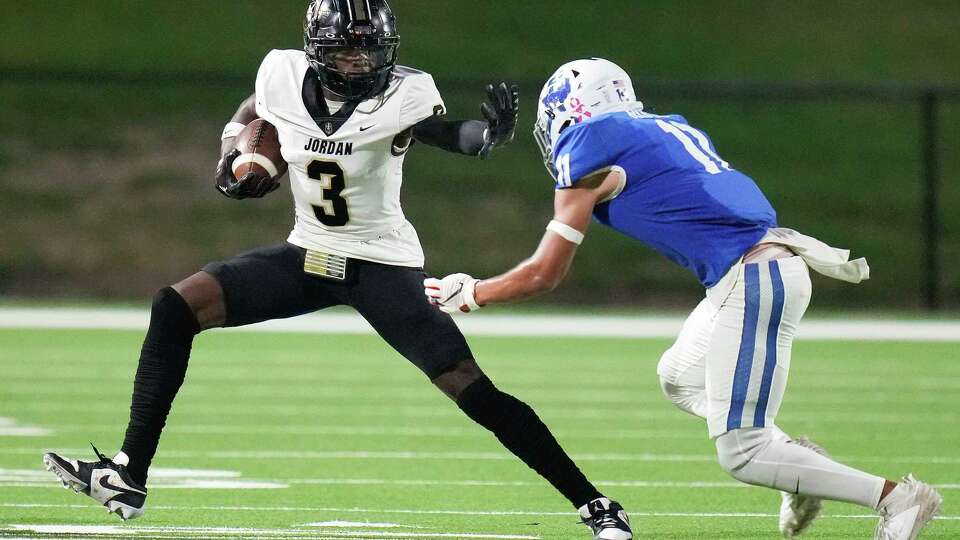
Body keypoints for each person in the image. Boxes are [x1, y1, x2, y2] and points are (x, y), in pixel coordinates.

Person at [41, 4, 633, 539]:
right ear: (317, 48)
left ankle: (595, 504)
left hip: (382, 264)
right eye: (348, 49)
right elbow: (256, 109)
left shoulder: (404, 93)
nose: (361, 61)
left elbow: (447, 133)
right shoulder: (280, 73)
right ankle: (127, 473)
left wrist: (486, 137)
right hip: (309, 254)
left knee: (469, 387)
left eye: (372, 49)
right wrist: (235, 155)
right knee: (176, 305)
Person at [425, 57, 943, 540]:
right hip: (755, 269)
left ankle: (899, 498)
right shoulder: (662, 126)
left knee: (742, 454)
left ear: (572, 109)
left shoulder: (590, 144)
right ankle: (796, 463)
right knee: (679, 376)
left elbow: (545, 273)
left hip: (755, 276)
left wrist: (472, 293)